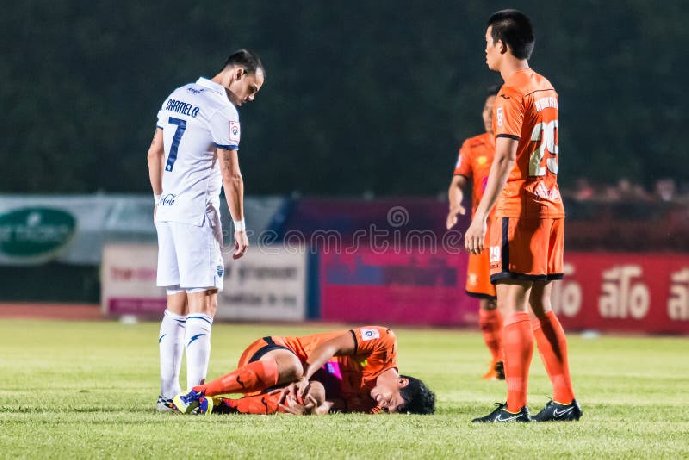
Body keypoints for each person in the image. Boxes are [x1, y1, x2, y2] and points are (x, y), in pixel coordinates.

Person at [464, 10, 582, 422]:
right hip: (551, 204)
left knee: (510, 304)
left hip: (520, 207)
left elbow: (502, 161)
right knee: (540, 304)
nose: (484, 50)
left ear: (501, 45)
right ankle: (564, 400)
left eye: (486, 43)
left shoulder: (510, 94)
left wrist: (480, 216)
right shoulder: (545, 87)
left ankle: (515, 407)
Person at [147, 49, 265, 411]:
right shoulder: (222, 110)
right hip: (197, 211)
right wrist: (240, 226)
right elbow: (231, 175)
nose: (251, 97)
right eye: (252, 88)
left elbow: (154, 152)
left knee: (176, 304)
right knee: (205, 302)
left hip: (167, 210)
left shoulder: (178, 95)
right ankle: (195, 396)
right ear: (237, 73)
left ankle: (167, 397)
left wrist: (160, 200)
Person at [172, 326, 435, 415]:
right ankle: (197, 393)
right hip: (277, 353)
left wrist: (311, 409)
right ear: (401, 382)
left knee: (313, 396)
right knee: (295, 368)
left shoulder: (370, 404)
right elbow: (332, 346)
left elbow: (332, 405)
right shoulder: (384, 342)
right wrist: (304, 378)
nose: (385, 407)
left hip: (290, 383)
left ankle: (216, 406)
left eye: (391, 412)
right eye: (395, 404)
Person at [446, 87, 504, 380]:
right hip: (482, 232)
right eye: (485, 109)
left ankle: (513, 360)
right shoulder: (472, 146)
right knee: (487, 300)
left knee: (511, 297)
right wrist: (455, 204)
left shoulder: (515, 147)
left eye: (494, 109)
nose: (489, 115)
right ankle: (497, 363)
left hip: (510, 229)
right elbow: (458, 182)